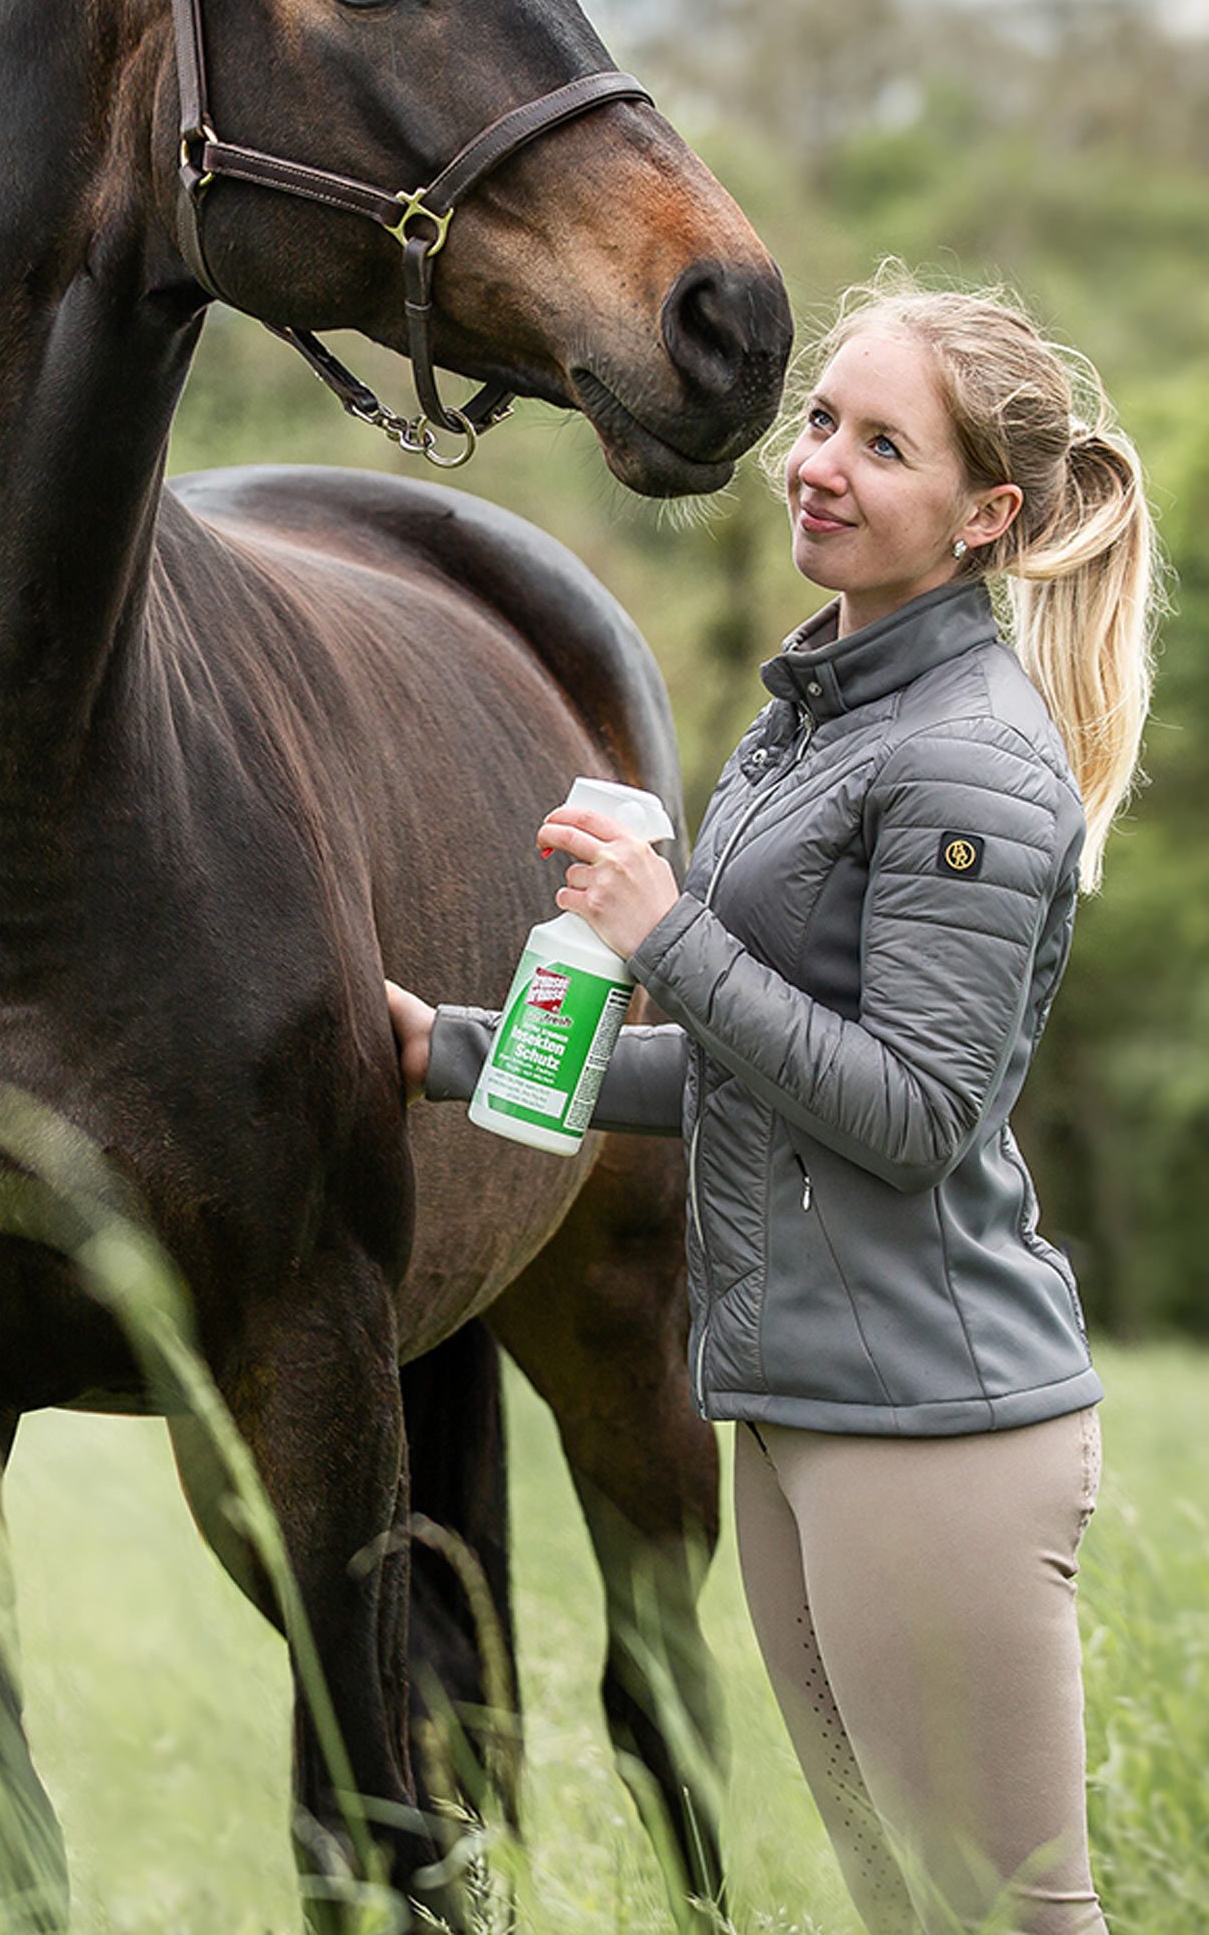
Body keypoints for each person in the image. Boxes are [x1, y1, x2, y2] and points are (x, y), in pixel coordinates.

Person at [386, 273, 1160, 1935]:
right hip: (798, 1408)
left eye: (885, 446)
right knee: (902, 1908)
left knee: (1015, 1918)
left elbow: (913, 1112)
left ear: (985, 515)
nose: (818, 462)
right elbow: (755, 1080)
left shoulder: (967, 760)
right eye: (823, 420)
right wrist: (452, 1051)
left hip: (936, 1430)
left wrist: (663, 929)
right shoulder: (812, 719)